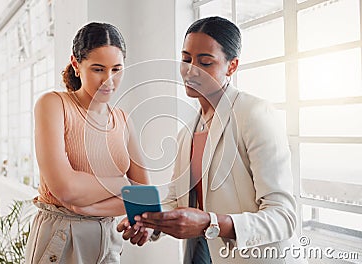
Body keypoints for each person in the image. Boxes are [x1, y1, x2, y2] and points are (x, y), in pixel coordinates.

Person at [118, 16, 307, 264]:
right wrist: (151, 222)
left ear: (232, 66)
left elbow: (283, 218)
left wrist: (211, 223)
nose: (190, 69)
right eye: (186, 59)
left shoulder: (254, 114)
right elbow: (177, 199)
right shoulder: (187, 131)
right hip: (204, 255)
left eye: (205, 62)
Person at [25, 22, 149, 264]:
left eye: (117, 69)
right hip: (60, 237)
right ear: (76, 64)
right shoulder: (53, 105)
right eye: (98, 69)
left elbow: (143, 197)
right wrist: (123, 184)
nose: (109, 81)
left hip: (108, 240)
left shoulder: (123, 120)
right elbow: (66, 189)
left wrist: (89, 208)